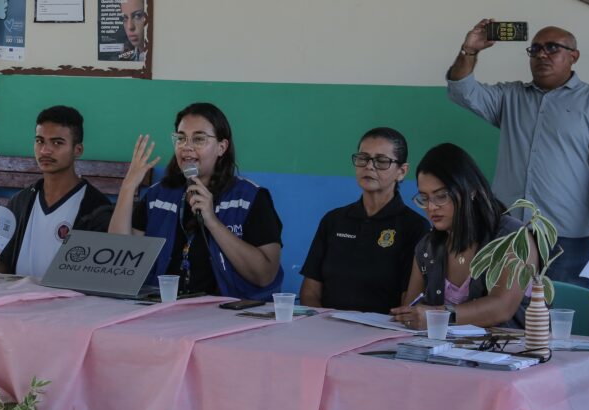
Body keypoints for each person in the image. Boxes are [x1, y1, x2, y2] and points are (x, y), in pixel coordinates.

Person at [447, 20, 589, 288]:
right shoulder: (511, 97)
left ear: (574, 56)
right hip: (508, 231)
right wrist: (469, 50)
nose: (541, 55)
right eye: (535, 49)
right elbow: (461, 91)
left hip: (565, 238)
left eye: (552, 48)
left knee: (559, 317)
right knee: (504, 314)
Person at [109, 103, 283, 300]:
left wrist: (212, 221)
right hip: (160, 309)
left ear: (221, 147)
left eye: (199, 139)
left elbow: (264, 276)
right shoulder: (158, 195)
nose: (187, 147)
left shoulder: (250, 198)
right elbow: (118, 263)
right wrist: (128, 187)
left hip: (226, 315)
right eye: (181, 138)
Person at [390, 144, 538, 330]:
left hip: (511, 353)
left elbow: (502, 307)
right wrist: (410, 316)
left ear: (472, 190)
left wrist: (439, 317)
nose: (432, 207)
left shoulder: (512, 237)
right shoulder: (427, 248)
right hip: (446, 354)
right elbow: (412, 310)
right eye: (424, 198)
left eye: (441, 196)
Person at [299, 127, 429, 313]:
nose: (369, 166)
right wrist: (323, 324)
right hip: (327, 329)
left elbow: (408, 302)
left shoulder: (414, 226)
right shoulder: (334, 220)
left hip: (383, 332)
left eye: (381, 161)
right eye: (363, 158)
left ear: (402, 171)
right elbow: (309, 292)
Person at [0, 106, 113, 277]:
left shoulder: (96, 208)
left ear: (78, 150)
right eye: (40, 141)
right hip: (18, 299)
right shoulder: (20, 203)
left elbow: (96, 278)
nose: (45, 150)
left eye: (57, 143)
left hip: (70, 302)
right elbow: (6, 270)